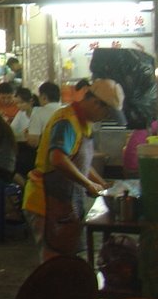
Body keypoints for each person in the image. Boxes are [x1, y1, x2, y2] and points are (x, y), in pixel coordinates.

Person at [22, 79, 122, 261]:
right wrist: (88, 184)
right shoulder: (66, 121)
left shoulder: (84, 124)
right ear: (94, 102)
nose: (106, 116)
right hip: (45, 202)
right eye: (106, 111)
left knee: (65, 260)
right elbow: (58, 158)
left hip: (64, 202)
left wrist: (101, 183)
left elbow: (79, 161)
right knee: (53, 262)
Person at [26, 81, 63, 148]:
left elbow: (33, 142)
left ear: (44, 97)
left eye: (39, 96)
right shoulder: (67, 111)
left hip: (48, 154)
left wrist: (26, 134)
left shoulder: (38, 113)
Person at [11, 86, 38, 177]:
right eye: (17, 103)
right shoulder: (21, 114)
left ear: (31, 101)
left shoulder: (38, 113)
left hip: (35, 149)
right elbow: (12, 129)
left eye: (21, 103)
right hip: (23, 147)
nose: (19, 106)